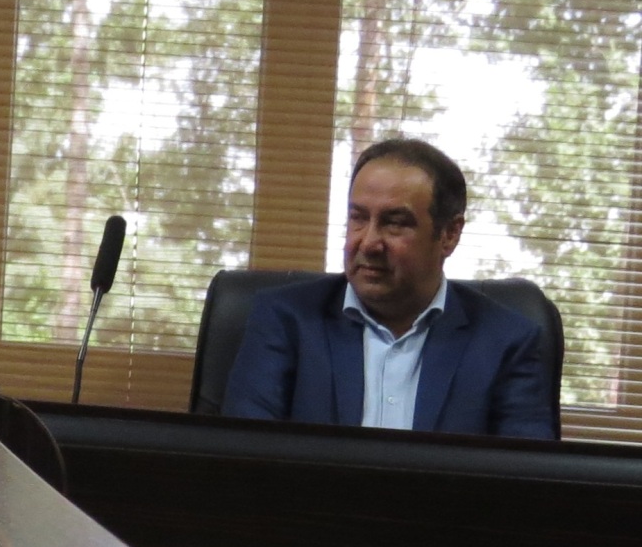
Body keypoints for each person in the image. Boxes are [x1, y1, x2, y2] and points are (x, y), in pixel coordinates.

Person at [223, 138, 554, 439]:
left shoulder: (507, 341)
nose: (369, 243)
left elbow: (524, 477)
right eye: (358, 218)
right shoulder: (285, 319)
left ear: (449, 235)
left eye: (394, 223)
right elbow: (244, 457)